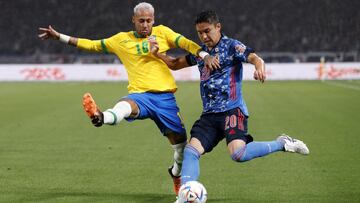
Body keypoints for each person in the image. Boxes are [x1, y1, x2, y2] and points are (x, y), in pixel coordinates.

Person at [38, 2, 218, 195]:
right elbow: (91, 44)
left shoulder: (163, 32)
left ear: (154, 20)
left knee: (181, 148)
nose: (145, 24)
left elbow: (186, 43)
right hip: (140, 95)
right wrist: (60, 37)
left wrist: (204, 54)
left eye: (149, 20)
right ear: (133, 20)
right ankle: (101, 116)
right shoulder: (121, 40)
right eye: (141, 21)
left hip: (165, 99)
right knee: (125, 105)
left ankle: (175, 174)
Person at [150, 10, 309, 200]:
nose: (204, 36)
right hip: (209, 115)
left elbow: (254, 58)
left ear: (218, 27)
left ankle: (282, 143)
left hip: (232, 110)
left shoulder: (232, 46)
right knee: (190, 153)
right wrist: (158, 54)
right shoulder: (201, 53)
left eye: (207, 31)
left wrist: (259, 67)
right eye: (200, 32)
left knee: (238, 154)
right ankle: (186, 195)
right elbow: (175, 64)